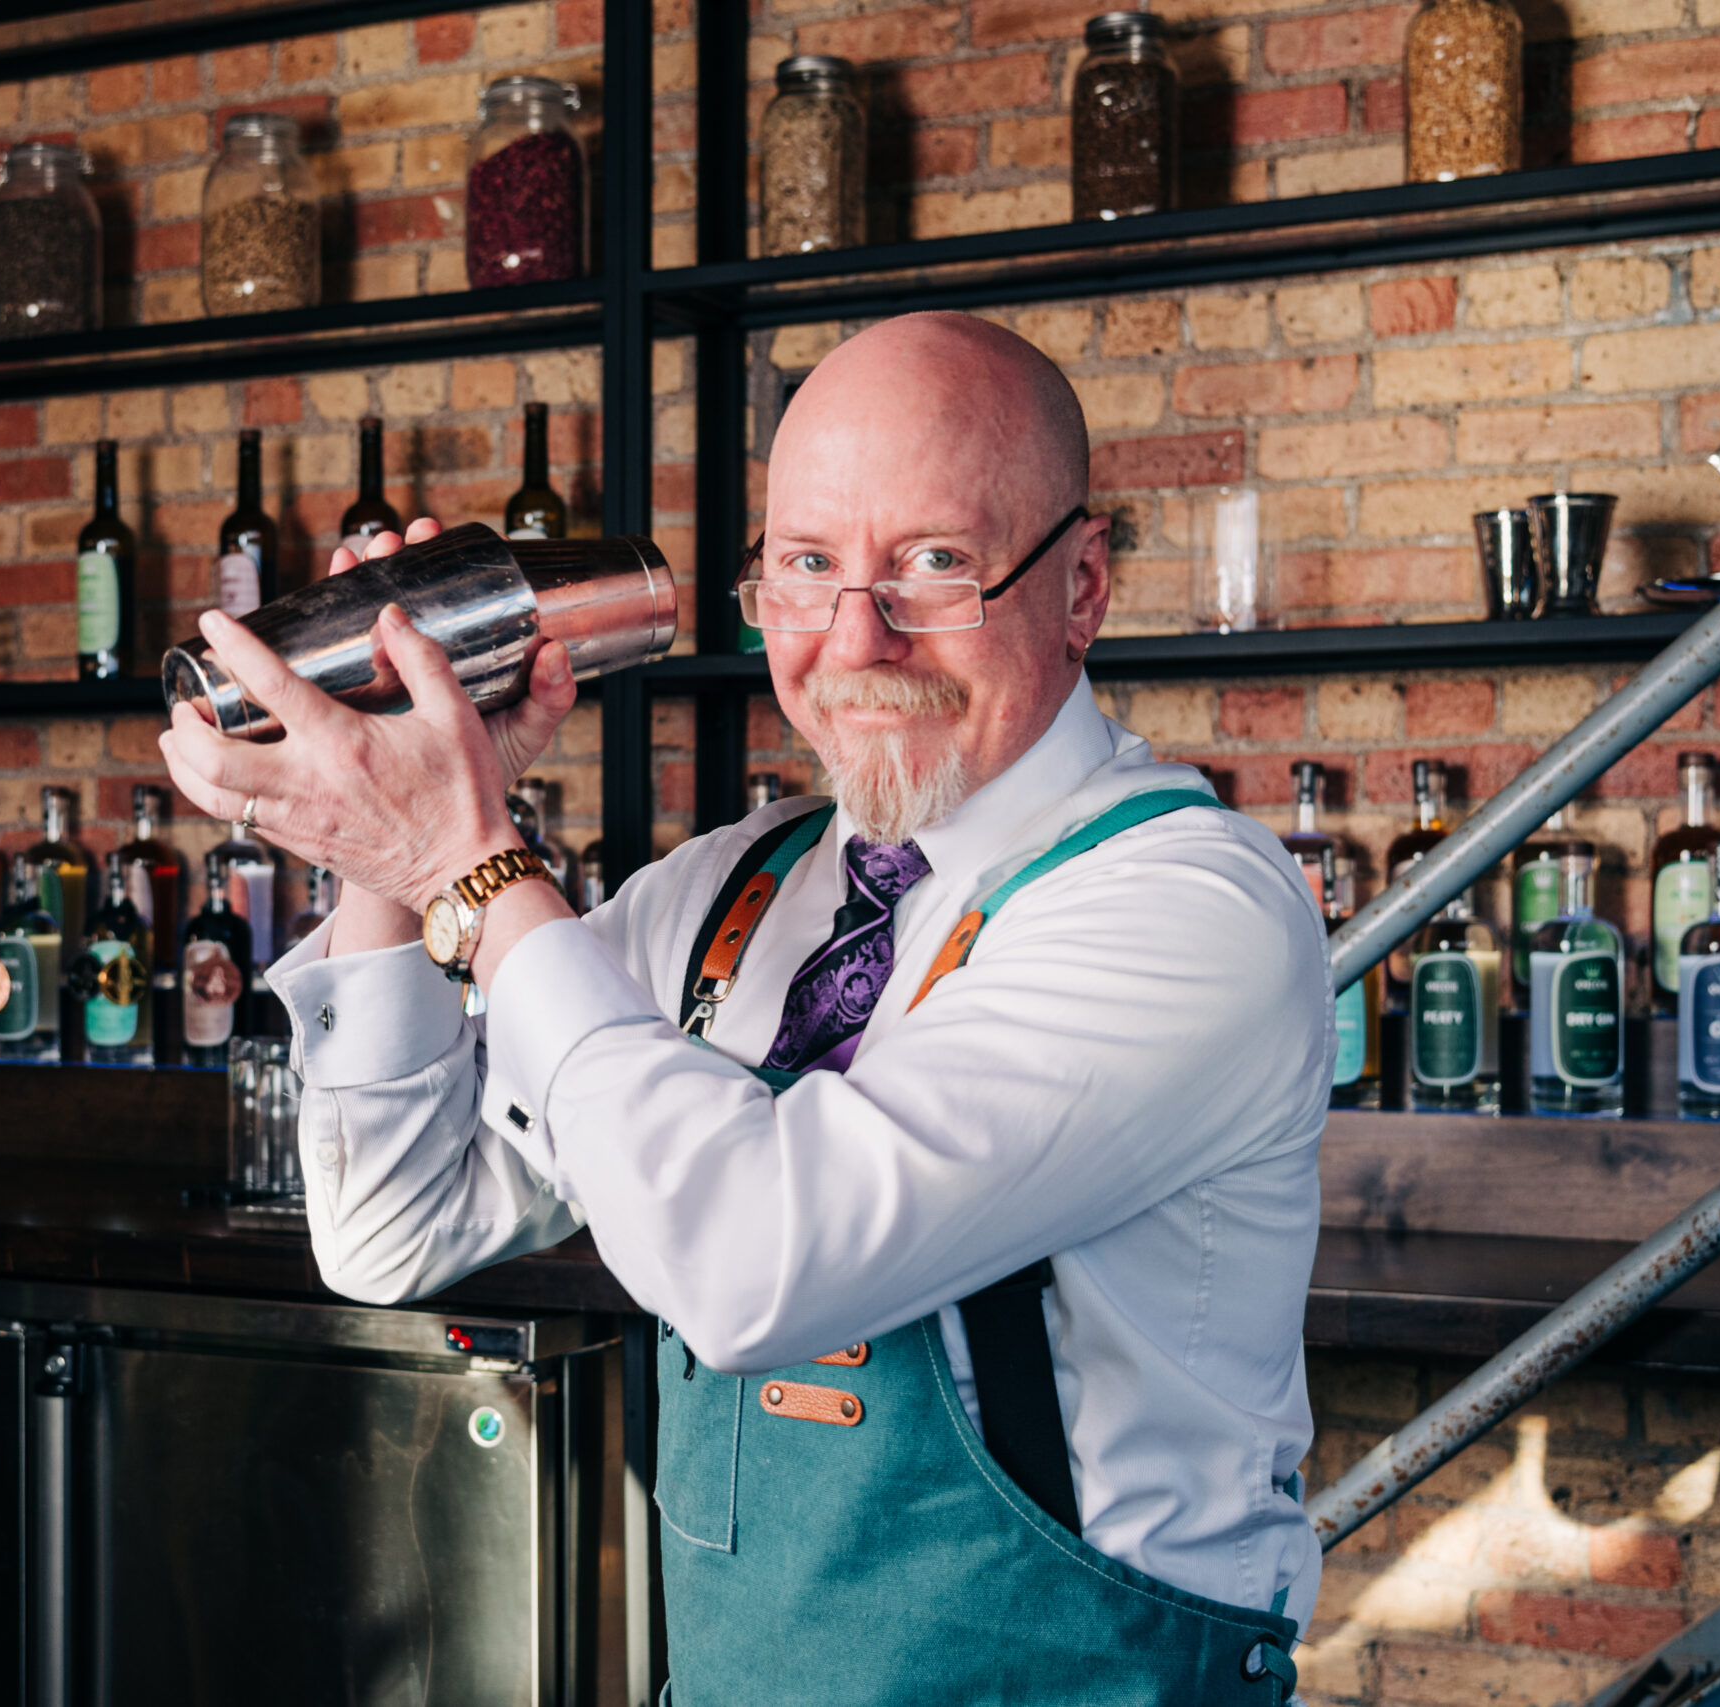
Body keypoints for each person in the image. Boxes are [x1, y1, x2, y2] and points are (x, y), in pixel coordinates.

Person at [159, 312, 1330, 1704]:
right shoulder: (730, 889)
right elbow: (391, 1228)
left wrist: (463, 860)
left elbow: (753, 1266)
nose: (855, 638)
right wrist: (386, 854)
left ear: (1081, 587)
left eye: (934, 565)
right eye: (806, 567)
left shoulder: (1188, 907)